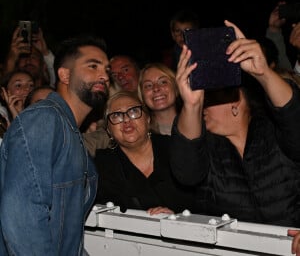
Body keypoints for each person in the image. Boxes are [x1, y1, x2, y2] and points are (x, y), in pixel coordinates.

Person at [169, 20, 300, 227]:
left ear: (235, 101)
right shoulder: (208, 150)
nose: (203, 108)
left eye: (208, 100)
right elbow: (186, 172)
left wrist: (263, 73)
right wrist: (192, 105)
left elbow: (294, 120)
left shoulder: (273, 133)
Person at [0, 34, 110, 255]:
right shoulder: (43, 119)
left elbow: (67, 233)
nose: (104, 76)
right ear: (64, 74)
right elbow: (22, 219)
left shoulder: (70, 133)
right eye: (93, 66)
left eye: (107, 70)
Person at [94, 90, 197, 215]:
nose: (126, 120)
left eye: (133, 111)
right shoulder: (102, 165)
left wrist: (176, 218)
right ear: (109, 130)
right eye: (116, 115)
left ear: (147, 119)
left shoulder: (175, 148)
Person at [138, 62, 181, 135]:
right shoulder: (140, 136)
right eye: (148, 85)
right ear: (142, 96)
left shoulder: (199, 123)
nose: (156, 88)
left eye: (163, 82)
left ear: (176, 87)